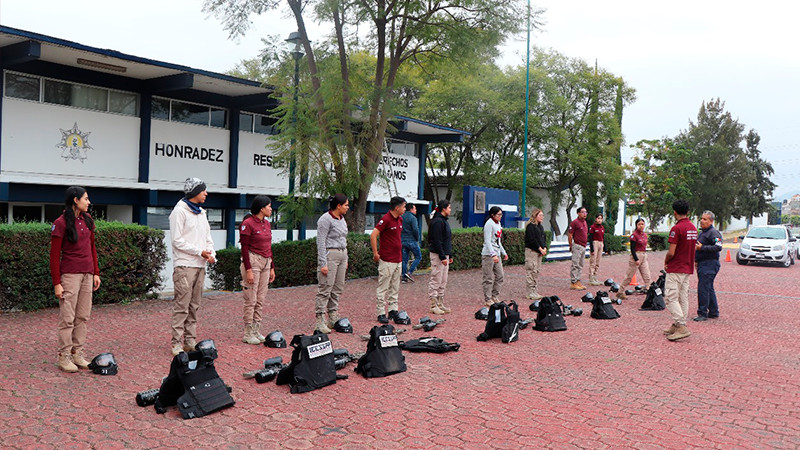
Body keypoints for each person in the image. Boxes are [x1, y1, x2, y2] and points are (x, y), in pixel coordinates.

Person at [50, 186, 101, 373]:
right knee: (67, 318)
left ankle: (77, 352)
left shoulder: (88, 220)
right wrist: (57, 283)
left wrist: (96, 272)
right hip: (70, 276)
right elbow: (54, 256)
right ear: (75, 200)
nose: (89, 202)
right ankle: (64, 356)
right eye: (86, 199)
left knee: (82, 316)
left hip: (87, 275)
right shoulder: (61, 223)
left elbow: (92, 248)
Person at [169, 177, 216, 356]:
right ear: (195, 192)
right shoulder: (179, 211)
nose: (206, 193)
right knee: (182, 305)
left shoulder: (202, 212)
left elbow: (207, 237)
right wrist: (199, 251)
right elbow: (177, 241)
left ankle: (190, 340)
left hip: (200, 265)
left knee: (194, 305)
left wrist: (210, 253)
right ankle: (176, 343)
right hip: (184, 265)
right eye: (203, 190)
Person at [239, 195, 275, 344]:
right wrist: (248, 270)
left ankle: (256, 330)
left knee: (260, 298)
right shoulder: (248, 224)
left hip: (266, 262)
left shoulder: (266, 224)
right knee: (251, 299)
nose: (271, 209)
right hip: (253, 261)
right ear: (261, 208)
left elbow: (269, 246)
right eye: (269, 206)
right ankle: (247, 333)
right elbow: (244, 248)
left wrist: (272, 266)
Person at [663, 199, 698, 341]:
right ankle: (677, 324)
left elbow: (671, 252)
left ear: (674, 212)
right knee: (682, 297)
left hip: (676, 267)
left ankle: (681, 325)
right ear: (688, 212)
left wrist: (666, 262)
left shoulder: (676, 229)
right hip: (687, 268)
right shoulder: (693, 228)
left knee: (671, 297)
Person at [314, 194, 350, 333]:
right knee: (325, 287)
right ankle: (320, 320)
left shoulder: (342, 219)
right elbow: (321, 242)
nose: (348, 207)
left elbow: (343, 239)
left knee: (338, 287)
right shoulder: (325, 219)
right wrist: (323, 262)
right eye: (346, 205)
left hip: (342, 254)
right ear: (338, 206)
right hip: (330, 255)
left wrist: (345, 258)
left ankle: (333, 316)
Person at [370, 196, 406, 323]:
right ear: (397, 208)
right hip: (387, 260)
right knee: (383, 287)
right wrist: (375, 253)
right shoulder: (385, 219)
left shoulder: (400, 220)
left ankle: (393, 310)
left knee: (395, 287)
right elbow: (373, 235)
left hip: (398, 259)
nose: (405, 209)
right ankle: (381, 312)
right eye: (403, 206)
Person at [694, 210, 722, 322]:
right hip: (702, 263)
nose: (702, 221)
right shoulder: (703, 233)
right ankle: (714, 311)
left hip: (709, 264)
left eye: (705, 219)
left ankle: (702, 312)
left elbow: (718, 246)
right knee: (708, 288)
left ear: (711, 221)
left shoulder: (713, 233)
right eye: (701, 218)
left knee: (703, 289)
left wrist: (702, 248)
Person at [428, 200, 454, 314]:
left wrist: (449, 254)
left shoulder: (443, 221)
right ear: (444, 209)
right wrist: (442, 256)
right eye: (449, 207)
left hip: (445, 254)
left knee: (443, 280)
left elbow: (447, 239)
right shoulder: (438, 222)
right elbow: (437, 240)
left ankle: (440, 302)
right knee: (436, 278)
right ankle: (433, 304)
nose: (450, 210)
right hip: (438, 255)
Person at [618, 218, 652, 300]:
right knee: (629, 276)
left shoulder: (644, 235)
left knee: (647, 275)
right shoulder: (634, 235)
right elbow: (632, 249)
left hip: (643, 255)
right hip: (636, 255)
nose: (641, 226)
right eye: (639, 224)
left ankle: (650, 291)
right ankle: (620, 292)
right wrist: (636, 259)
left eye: (642, 224)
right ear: (636, 225)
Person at [481, 206, 508, 305]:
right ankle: (488, 298)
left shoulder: (498, 223)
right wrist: (493, 254)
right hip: (488, 254)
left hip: (497, 253)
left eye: (501, 214)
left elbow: (498, 241)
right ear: (492, 215)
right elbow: (487, 241)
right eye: (498, 214)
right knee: (488, 277)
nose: (500, 216)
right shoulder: (489, 224)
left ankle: (495, 295)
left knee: (500, 275)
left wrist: (503, 252)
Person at [524, 208, 547, 300]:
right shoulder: (530, 226)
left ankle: (534, 290)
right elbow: (531, 239)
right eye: (540, 215)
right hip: (532, 251)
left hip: (539, 252)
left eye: (542, 215)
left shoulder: (540, 226)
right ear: (535, 216)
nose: (542, 217)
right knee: (531, 270)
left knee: (536, 271)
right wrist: (539, 248)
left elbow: (543, 238)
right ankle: (530, 292)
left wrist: (544, 247)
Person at [567, 206, 589, 290]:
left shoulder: (585, 222)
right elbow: (570, 234)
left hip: (583, 246)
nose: (584, 214)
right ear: (578, 213)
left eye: (585, 212)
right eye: (583, 212)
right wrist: (570, 245)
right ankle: (573, 282)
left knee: (580, 264)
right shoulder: (574, 222)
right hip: (577, 245)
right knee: (575, 264)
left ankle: (578, 280)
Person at [401, 203, 421, 283]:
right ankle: (410, 272)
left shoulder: (401, 217)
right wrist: (417, 238)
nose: (416, 210)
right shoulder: (413, 218)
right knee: (418, 256)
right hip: (412, 240)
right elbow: (415, 229)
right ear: (411, 209)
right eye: (415, 209)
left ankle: (404, 277)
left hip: (403, 241)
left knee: (404, 260)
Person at [588, 214, 605, 285]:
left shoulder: (602, 227)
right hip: (595, 243)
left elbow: (603, 237)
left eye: (601, 218)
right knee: (593, 261)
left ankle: (595, 277)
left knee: (598, 261)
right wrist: (592, 249)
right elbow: (590, 238)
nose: (599, 220)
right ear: (595, 219)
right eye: (598, 218)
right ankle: (591, 278)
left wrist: (605, 247)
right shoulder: (593, 227)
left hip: (601, 243)